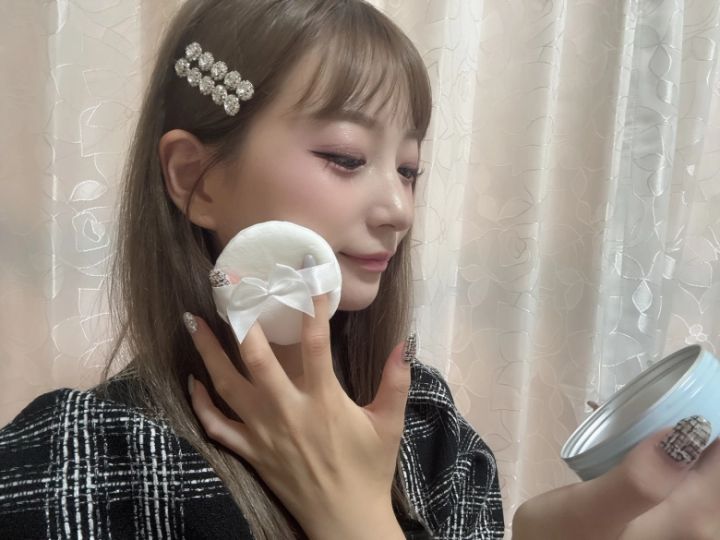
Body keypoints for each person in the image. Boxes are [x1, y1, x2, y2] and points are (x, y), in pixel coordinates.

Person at [1, 1, 719, 539]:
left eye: (408, 169)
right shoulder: (79, 462)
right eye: (346, 158)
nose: (398, 210)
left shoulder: (428, 426)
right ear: (197, 178)